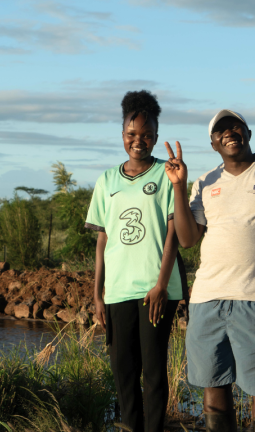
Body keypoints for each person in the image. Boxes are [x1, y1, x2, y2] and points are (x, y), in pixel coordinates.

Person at [163, 109, 255, 432]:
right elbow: (187, 239)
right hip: (207, 299)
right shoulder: (205, 181)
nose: (229, 133)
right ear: (213, 144)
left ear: (248, 133)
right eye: (221, 131)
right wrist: (179, 187)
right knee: (213, 383)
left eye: (236, 127)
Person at [85, 90, 188, 432]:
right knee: (123, 370)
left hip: (156, 290)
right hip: (117, 290)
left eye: (146, 135)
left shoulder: (166, 174)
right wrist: (97, 294)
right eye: (132, 134)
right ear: (122, 135)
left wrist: (161, 284)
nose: (138, 141)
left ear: (156, 137)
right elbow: (103, 240)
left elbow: (173, 232)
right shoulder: (107, 180)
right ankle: (131, 427)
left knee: (154, 370)